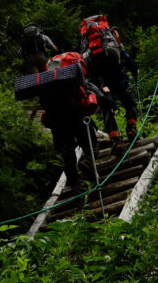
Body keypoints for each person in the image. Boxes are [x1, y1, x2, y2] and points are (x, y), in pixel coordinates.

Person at [79, 17, 140, 153]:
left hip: (98, 78)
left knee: (107, 107)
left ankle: (115, 140)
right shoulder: (110, 34)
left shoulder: (85, 40)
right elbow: (123, 54)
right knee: (129, 102)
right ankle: (131, 128)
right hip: (117, 73)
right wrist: (134, 69)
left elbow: (83, 62)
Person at [39, 52, 98, 192]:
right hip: (76, 114)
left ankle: (75, 186)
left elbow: (43, 103)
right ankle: (87, 162)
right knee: (90, 143)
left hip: (56, 120)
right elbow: (84, 93)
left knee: (67, 153)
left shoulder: (47, 80)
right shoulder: (72, 73)